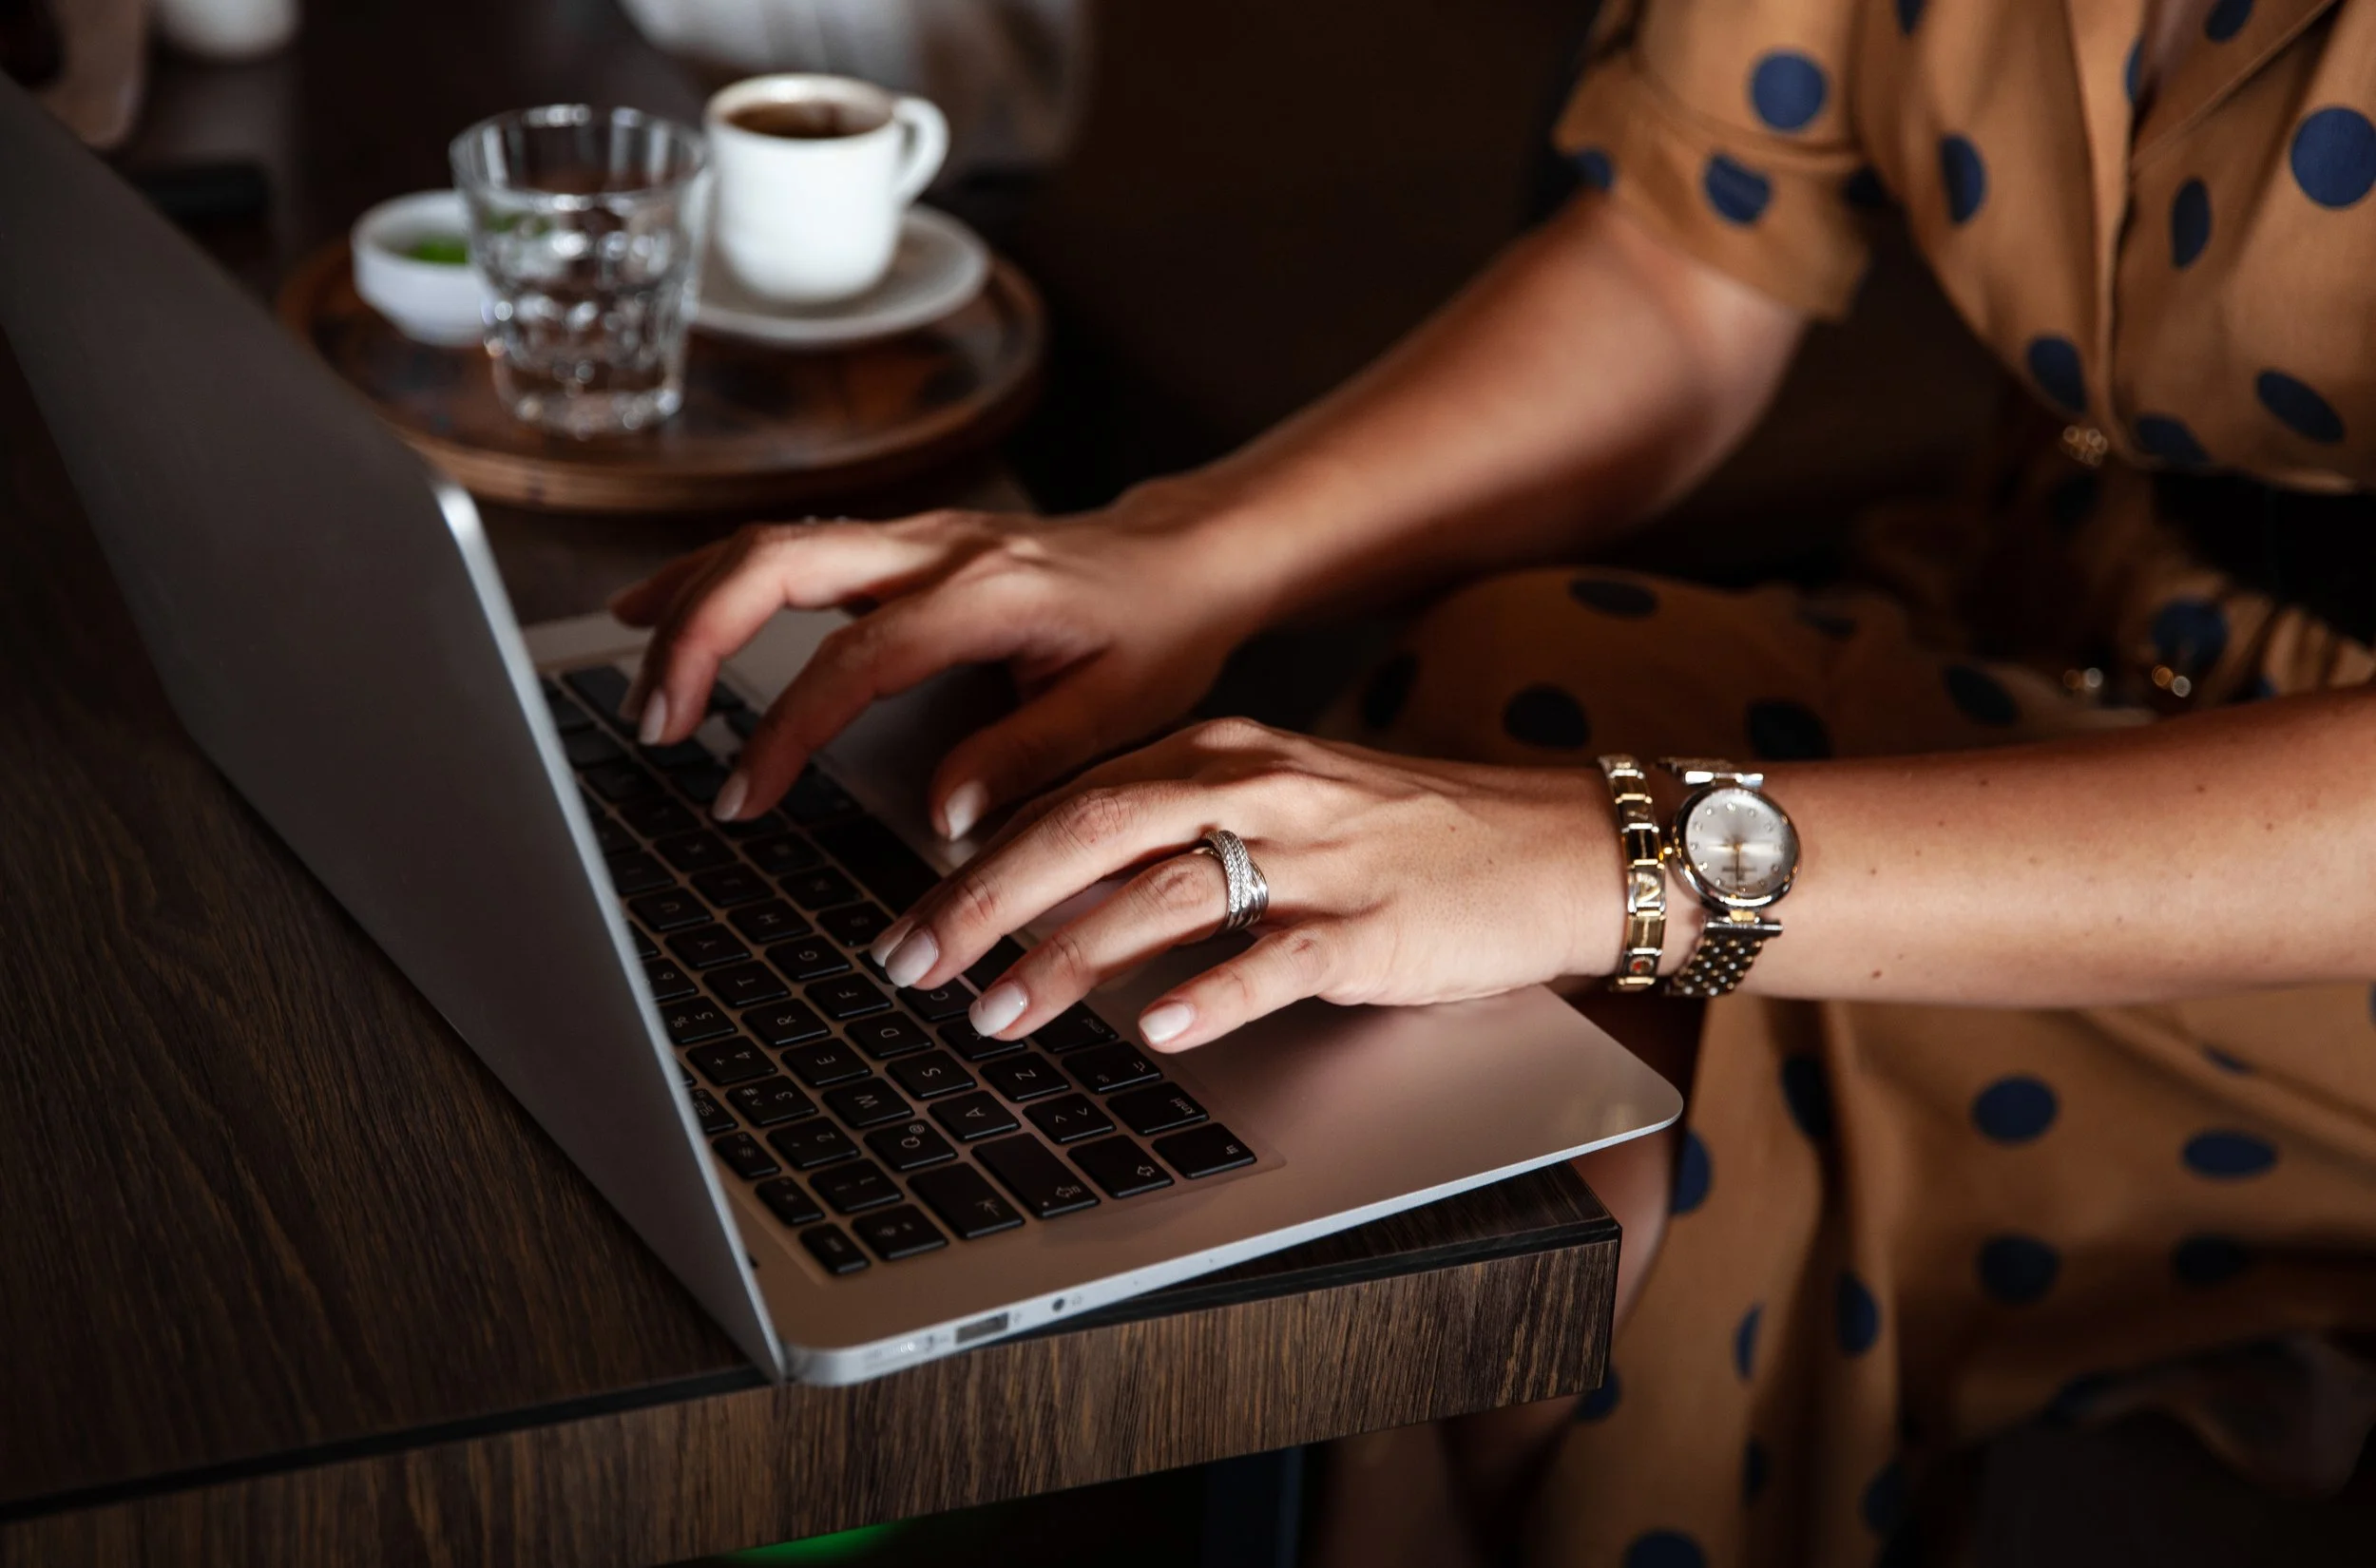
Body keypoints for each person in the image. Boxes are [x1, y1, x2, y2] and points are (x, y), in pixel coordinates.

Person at [611, 0, 2376, 1556]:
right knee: (1490, 737)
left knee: (1654, 1013)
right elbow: (1682, 268)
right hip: (2065, 598)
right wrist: (1181, 552)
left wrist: (1620, 865)